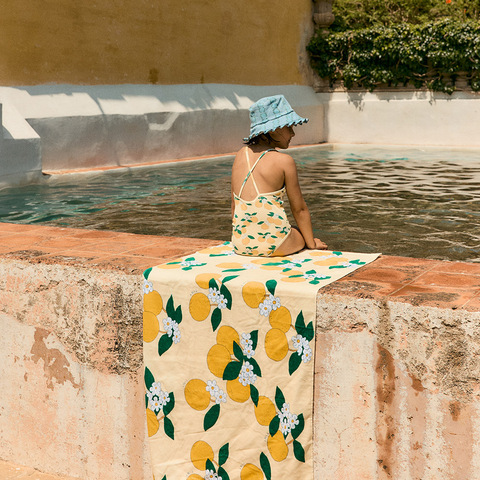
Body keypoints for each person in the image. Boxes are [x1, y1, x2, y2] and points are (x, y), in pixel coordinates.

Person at [231, 94, 327, 257]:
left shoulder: (241, 154)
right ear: (274, 129)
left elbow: (234, 207)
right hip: (275, 245)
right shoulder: (284, 161)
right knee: (298, 232)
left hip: (240, 244)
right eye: (289, 127)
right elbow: (299, 209)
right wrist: (311, 243)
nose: (293, 133)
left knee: (289, 230)